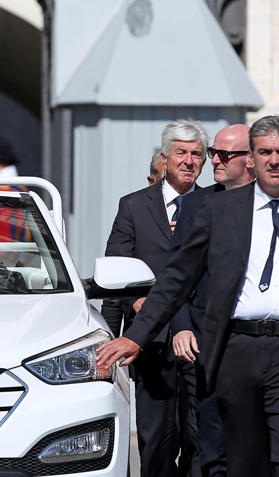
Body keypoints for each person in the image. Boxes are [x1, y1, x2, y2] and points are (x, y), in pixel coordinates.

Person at [97, 114, 279, 475]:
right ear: (253, 160)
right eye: (265, 152)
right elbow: (177, 278)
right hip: (236, 349)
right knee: (243, 458)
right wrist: (135, 335)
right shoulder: (221, 209)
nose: (274, 160)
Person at [100, 118, 208, 477]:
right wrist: (131, 310)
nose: (189, 161)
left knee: (200, 439)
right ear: (164, 158)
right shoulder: (134, 206)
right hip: (152, 343)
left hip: (201, 340)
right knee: (158, 441)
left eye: (197, 154)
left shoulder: (217, 205)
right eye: (182, 153)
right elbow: (117, 271)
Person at [161, 124, 254, 476]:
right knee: (206, 445)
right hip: (204, 343)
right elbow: (177, 275)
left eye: (223, 155)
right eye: (212, 152)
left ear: (249, 161)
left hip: (258, 345)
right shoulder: (198, 203)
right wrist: (181, 327)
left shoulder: (269, 205)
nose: (212, 160)